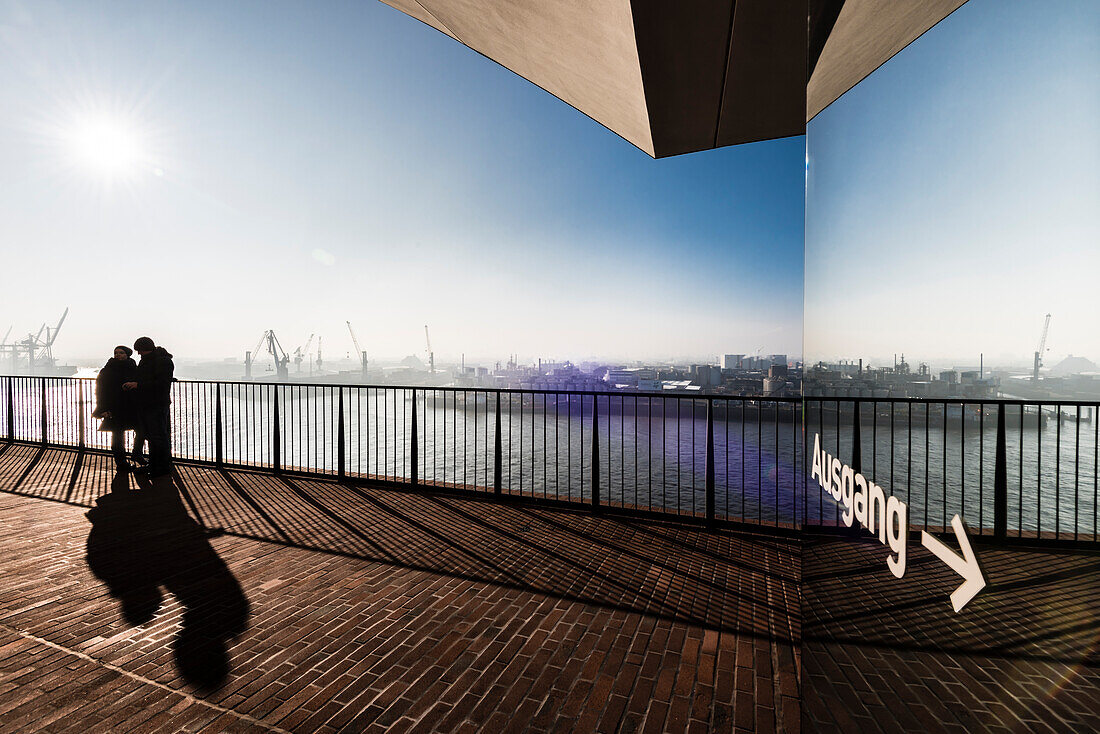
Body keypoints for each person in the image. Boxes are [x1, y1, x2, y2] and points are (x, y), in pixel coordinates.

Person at [124, 337, 175, 478]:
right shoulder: (157, 360)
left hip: (155, 404)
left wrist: (138, 385)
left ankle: (161, 468)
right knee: (154, 437)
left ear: (146, 348)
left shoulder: (161, 362)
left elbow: (161, 384)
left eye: (140, 350)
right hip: (149, 404)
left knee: (158, 437)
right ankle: (155, 466)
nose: (139, 353)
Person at [91, 346, 139, 472]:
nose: (118, 355)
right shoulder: (108, 370)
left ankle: (134, 455)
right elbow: (100, 391)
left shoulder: (133, 367)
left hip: (130, 405)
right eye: (116, 353)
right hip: (115, 406)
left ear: (127, 354)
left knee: (136, 430)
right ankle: (121, 463)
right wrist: (103, 408)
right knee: (117, 435)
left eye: (121, 353)